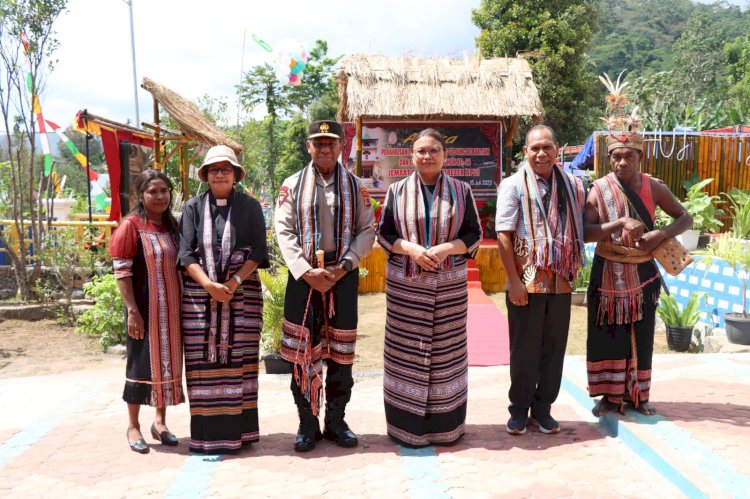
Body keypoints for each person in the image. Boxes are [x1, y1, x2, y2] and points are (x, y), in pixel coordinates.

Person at [377, 128, 482, 447]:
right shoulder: (396, 191)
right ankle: (405, 427)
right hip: (407, 291)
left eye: (434, 150)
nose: (427, 155)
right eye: (421, 150)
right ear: (411, 156)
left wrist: (445, 249)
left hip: (448, 290)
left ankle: (446, 425)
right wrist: (411, 249)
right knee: (406, 353)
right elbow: (384, 235)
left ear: (445, 156)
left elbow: (474, 235)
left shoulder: (462, 191)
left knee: (445, 354)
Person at [275, 120, 375, 452]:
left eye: (330, 142)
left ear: (341, 146)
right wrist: (306, 272)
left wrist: (344, 266)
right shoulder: (291, 185)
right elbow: (284, 231)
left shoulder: (356, 186)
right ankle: (307, 422)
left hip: (341, 276)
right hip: (303, 279)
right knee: (302, 353)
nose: (324, 148)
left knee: (342, 354)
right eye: (318, 143)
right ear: (309, 147)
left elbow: (366, 229)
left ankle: (335, 420)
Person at [584, 133, 691, 417]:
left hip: (643, 271)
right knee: (608, 333)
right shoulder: (598, 190)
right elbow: (585, 232)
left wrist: (661, 234)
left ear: (640, 157)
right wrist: (617, 223)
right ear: (609, 159)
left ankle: (639, 395)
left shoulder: (654, 187)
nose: (621, 162)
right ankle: (608, 396)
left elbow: (685, 217)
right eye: (616, 157)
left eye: (628, 156)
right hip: (607, 269)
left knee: (642, 334)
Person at [495, 125, 586, 435]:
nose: (541, 153)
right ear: (525, 152)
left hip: (561, 280)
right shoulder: (512, 186)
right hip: (526, 278)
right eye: (535, 148)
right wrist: (514, 282)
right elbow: (503, 235)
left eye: (547, 147)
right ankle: (519, 410)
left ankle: (543, 408)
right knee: (524, 348)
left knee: (554, 347)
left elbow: (583, 228)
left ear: (557, 150)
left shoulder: (574, 186)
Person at [178, 144, 269, 454]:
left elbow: (258, 250)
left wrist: (231, 281)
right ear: (205, 175)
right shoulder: (192, 208)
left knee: (239, 363)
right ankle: (206, 436)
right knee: (202, 364)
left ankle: (239, 435)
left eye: (225, 169)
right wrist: (208, 285)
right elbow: (186, 252)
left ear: (235, 175)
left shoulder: (250, 207)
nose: (220, 174)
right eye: (214, 169)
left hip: (241, 295)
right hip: (199, 300)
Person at [111, 169, 184, 454]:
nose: (160, 196)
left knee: (167, 365)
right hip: (144, 311)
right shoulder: (131, 225)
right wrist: (132, 310)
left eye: (164, 191)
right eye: (153, 191)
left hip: (172, 312)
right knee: (140, 365)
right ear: (141, 195)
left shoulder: (172, 226)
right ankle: (133, 426)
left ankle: (160, 423)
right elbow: (122, 271)